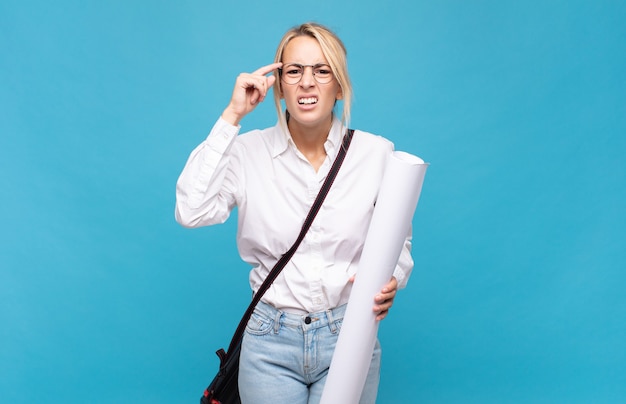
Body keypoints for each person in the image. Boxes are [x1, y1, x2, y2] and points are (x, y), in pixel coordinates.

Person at [175, 22, 414, 404]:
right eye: (294, 71)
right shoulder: (247, 152)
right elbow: (191, 210)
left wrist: (392, 279)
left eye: (321, 71)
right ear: (280, 85)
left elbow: (397, 236)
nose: (307, 82)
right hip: (270, 339)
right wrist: (231, 117)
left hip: (349, 333)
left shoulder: (376, 154)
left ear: (339, 86)